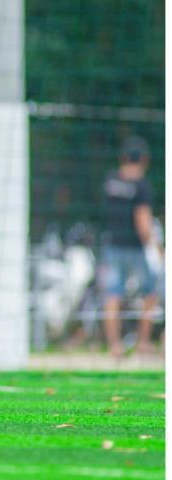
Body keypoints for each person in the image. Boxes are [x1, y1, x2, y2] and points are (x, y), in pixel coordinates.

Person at [98, 137, 160, 358]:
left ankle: (115, 347)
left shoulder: (111, 180)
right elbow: (142, 222)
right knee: (152, 291)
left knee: (112, 296)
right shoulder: (141, 186)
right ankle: (143, 343)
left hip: (112, 245)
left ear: (123, 158)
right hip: (135, 248)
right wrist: (157, 248)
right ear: (144, 160)